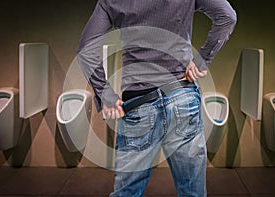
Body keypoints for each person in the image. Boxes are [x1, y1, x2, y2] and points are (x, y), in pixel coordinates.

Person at [77, 0, 236, 196]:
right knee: (192, 193)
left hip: (138, 104)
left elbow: (86, 49)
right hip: (182, 97)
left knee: (127, 193)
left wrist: (106, 94)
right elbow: (227, 17)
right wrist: (202, 60)